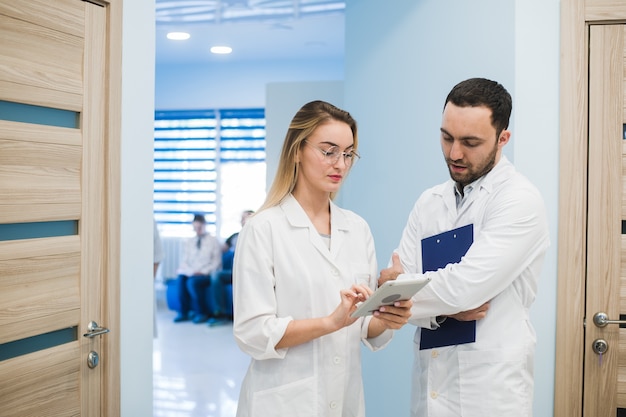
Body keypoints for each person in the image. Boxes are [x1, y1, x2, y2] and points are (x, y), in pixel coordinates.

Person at [378, 78, 550, 417]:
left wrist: (400, 294)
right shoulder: (429, 202)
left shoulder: (519, 200)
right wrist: (439, 308)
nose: (454, 153)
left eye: (470, 142)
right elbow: (394, 289)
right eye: (446, 137)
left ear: (503, 139)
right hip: (431, 388)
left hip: (490, 393)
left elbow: (464, 288)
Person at [232, 100, 413, 417]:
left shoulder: (357, 229)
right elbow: (252, 333)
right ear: (296, 151)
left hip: (343, 400)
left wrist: (385, 316)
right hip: (282, 404)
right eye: (328, 151)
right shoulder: (263, 229)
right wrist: (329, 323)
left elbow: (359, 326)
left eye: (347, 153)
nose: (340, 164)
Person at [173, 213, 222, 323]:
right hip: (192, 272)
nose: (197, 230)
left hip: (206, 274)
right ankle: (184, 312)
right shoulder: (189, 242)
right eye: (195, 228)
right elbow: (185, 260)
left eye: (199, 228)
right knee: (181, 278)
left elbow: (216, 262)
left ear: (205, 225)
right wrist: (183, 270)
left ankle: (201, 313)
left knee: (192, 282)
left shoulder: (213, 241)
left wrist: (202, 272)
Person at [209, 209, 255, 324]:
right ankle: (220, 313)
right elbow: (220, 250)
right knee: (216, 275)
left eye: (247, 217)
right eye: (242, 218)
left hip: (247, 271)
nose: (244, 220)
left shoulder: (257, 235)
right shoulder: (235, 236)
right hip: (232, 271)